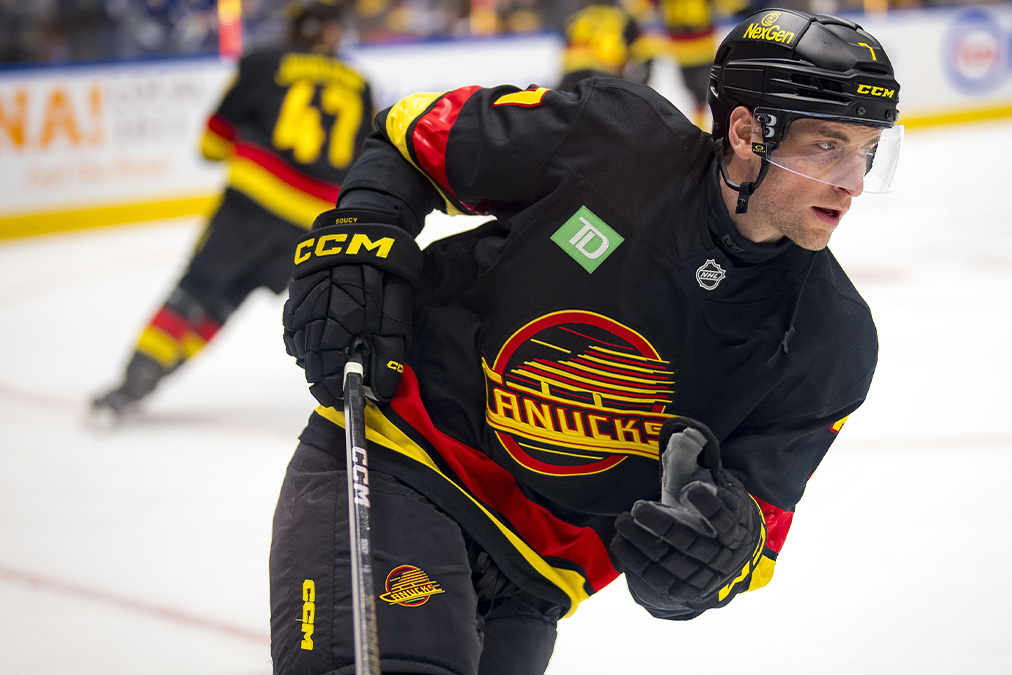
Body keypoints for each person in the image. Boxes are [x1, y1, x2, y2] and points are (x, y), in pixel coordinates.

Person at [272, 7, 903, 674]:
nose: (853, 183)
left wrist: (716, 548)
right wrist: (362, 233)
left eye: (866, 151)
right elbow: (413, 135)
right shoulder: (613, 140)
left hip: (537, 578)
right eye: (826, 146)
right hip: (400, 462)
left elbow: (757, 533)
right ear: (747, 132)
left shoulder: (830, 342)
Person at [91, 0, 374, 420]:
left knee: (196, 291)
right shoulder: (359, 82)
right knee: (226, 302)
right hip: (311, 222)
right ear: (333, 33)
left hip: (253, 205)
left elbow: (211, 143)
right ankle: (156, 374)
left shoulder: (264, 61)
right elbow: (361, 161)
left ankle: (137, 380)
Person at [556, 0, 655, 90]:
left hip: (571, 75)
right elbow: (640, 55)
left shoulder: (575, 18)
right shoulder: (625, 20)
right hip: (604, 75)